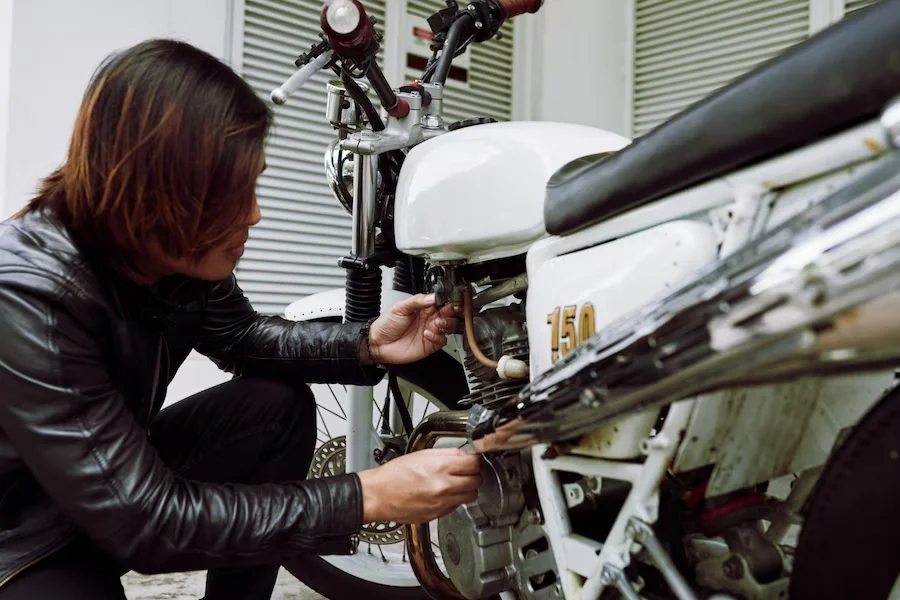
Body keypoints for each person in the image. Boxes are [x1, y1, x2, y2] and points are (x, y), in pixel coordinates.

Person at [0, 39, 481, 599]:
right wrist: (366, 495)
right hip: (23, 532)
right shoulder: (30, 294)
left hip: (102, 480)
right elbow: (144, 523)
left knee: (274, 408)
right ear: (165, 191)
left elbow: (243, 338)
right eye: (236, 193)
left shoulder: (162, 251)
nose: (254, 212)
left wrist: (368, 344)